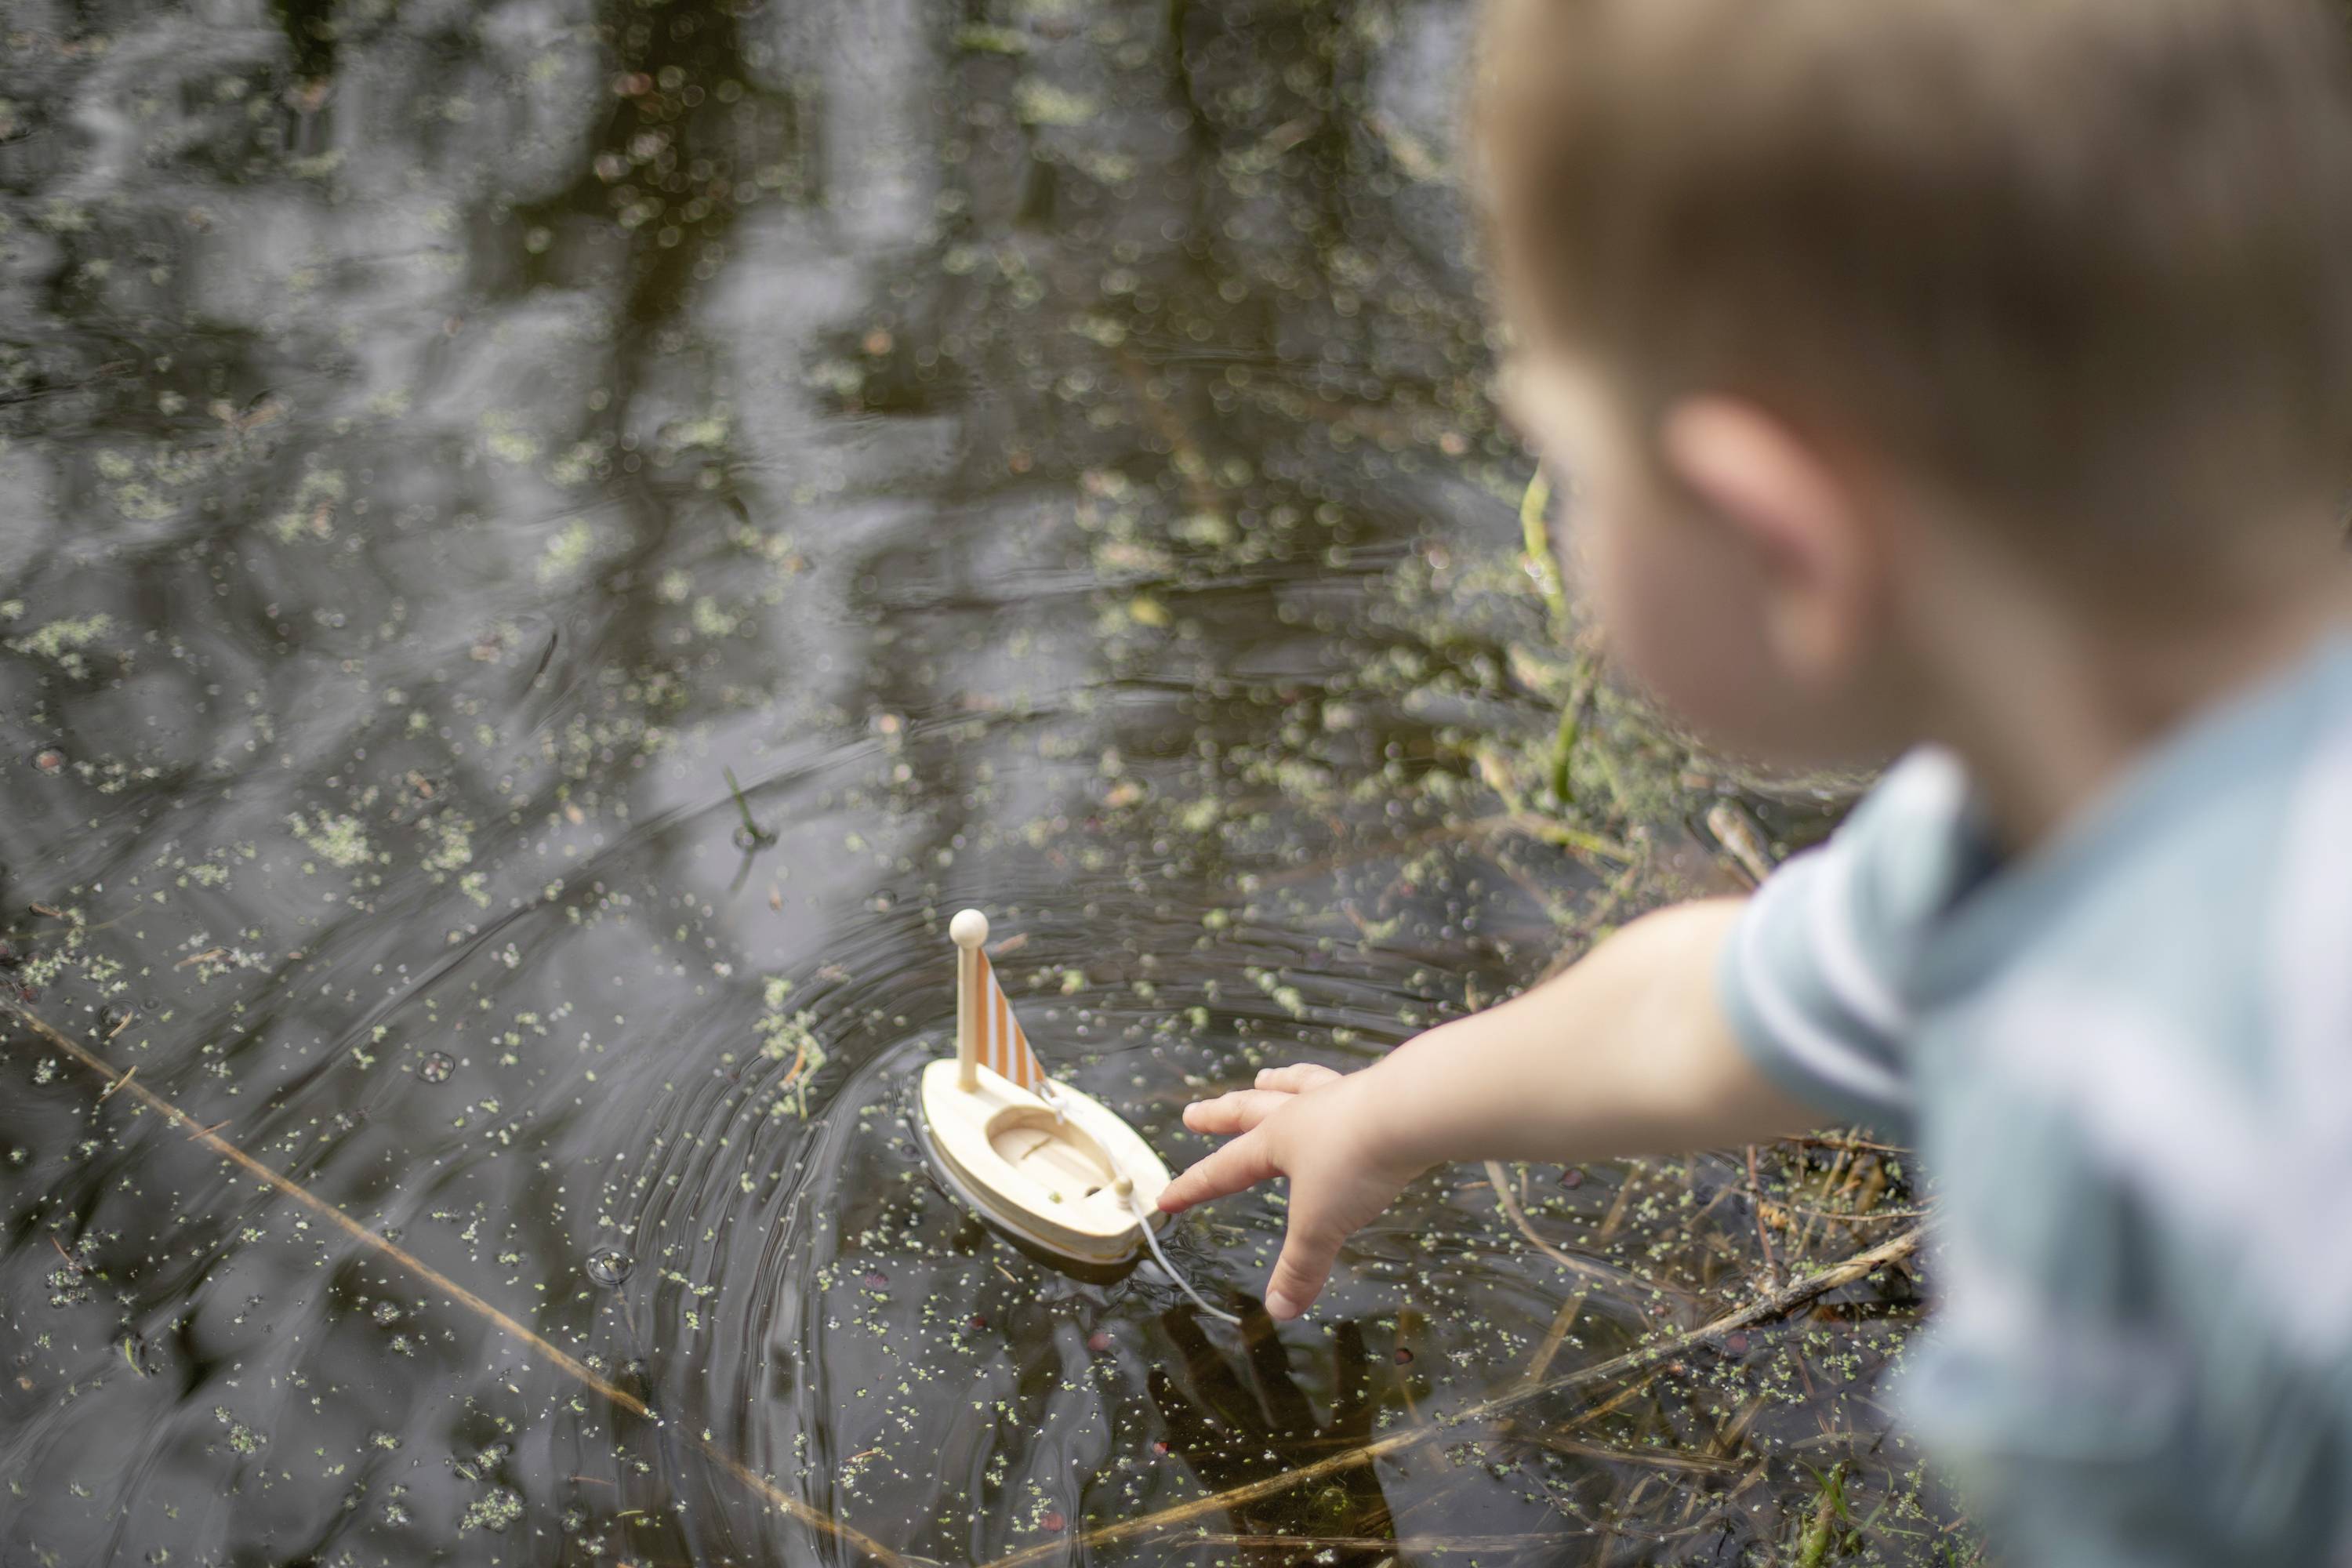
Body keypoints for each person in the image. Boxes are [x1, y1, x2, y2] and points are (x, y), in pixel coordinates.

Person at [1155, 0, 2352, 1559]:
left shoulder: (2144, 1151)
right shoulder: (2053, 820)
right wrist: (1390, 1111)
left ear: (1784, 539)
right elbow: (1703, 1003)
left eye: (1569, 458)